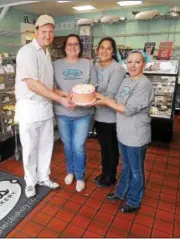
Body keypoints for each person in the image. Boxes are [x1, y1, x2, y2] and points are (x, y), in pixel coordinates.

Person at [15, 15, 75, 198]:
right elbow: (32, 84)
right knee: (30, 148)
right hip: (30, 108)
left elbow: (47, 85)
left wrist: (62, 93)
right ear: (36, 32)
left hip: (45, 108)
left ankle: (43, 177)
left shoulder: (46, 54)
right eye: (44, 31)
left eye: (50, 32)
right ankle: (30, 182)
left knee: (46, 146)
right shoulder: (27, 52)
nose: (47, 35)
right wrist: (60, 100)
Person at [95, 50, 154, 212]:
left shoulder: (144, 84)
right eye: (130, 62)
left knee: (136, 170)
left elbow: (128, 109)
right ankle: (121, 192)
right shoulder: (126, 81)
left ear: (144, 64)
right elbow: (116, 101)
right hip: (123, 133)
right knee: (126, 165)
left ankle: (134, 201)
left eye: (137, 62)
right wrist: (97, 96)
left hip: (136, 135)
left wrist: (106, 101)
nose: (133, 65)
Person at [53, 34, 97, 192]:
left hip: (83, 113)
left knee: (78, 146)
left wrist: (80, 99)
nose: (72, 46)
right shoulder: (55, 64)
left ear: (80, 46)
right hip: (62, 111)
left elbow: (92, 88)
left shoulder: (88, 64)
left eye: (76, 44)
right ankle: (70, 171)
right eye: (69, 44)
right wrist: (65, 96)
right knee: (67, 145)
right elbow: (51, 88)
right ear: (64, 47)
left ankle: (79, 176)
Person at [94, 37, 126, 187]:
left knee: (110, 146)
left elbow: (111, 94)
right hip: (98, 115)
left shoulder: (117, 69)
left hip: (111, 116)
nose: (104, 51)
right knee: (103, 146)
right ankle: (104, 172)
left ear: (113, 52)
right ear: (97, 49)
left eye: (108, 48)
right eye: (102, 47)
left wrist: (90, 98)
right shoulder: (94, 66)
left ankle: (110, 176)